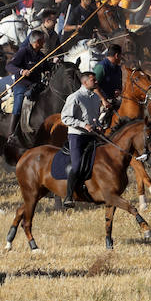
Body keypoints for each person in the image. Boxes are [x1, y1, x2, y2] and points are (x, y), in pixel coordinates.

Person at [58, 69, 103, 207]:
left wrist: (98, 125)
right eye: (93, 80)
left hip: (92, 135)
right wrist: (83, 125)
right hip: (76, 136)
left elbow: (94, 117)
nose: (96, 82)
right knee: (77, 166)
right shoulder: (75, 97)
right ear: (84, 82)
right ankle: (68, 196)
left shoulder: (95, 98)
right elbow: (65, 118)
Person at [92, 45, 124, 126]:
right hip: (101, 102)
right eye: (121, 55)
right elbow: (94, 87)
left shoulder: (118, 68)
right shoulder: (101, 67)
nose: (121, 58)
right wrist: (103, 100)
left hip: (115, 99)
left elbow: (119, 85)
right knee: (101, 120)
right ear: (117, 55)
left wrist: (119, 90)